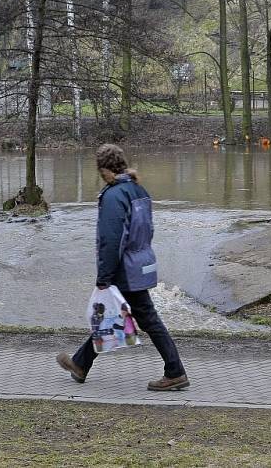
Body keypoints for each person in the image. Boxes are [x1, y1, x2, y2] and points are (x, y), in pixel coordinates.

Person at [57, 144, 189, 391]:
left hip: (125, 268)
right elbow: (147, 229)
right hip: (140, 262)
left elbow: (111, 239)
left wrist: (104, 276)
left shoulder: (114, 195)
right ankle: (80, 364)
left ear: (104, 170)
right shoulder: (138, 190)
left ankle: (175, 371)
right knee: (114, 314)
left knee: (146, 319)